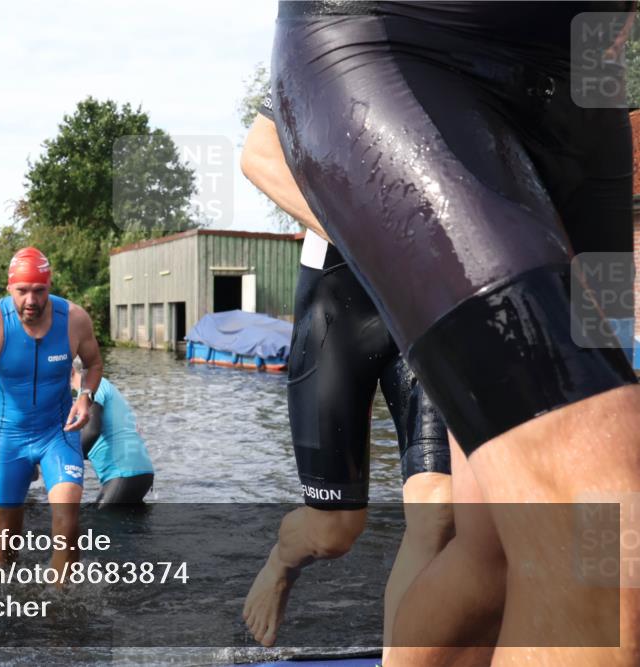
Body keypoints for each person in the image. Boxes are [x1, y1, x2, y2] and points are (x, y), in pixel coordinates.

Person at [269, 4, 639, 664]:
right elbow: (255, 153)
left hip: (593, 95)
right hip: (400, 45)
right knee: (606, 530)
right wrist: (395, 235)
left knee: (491, 545)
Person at [240, 89, 454, 655]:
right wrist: (371, 240)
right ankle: (283, 563)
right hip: (341, 300)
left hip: (431, 300)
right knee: (334, 532)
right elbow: (259, 154)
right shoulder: (347, 26)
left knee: (439, 515)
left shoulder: (477, 44)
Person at [0, 247, 103, 569]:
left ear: (49, 286)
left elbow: (94, 364)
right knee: (7, 539)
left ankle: (60, 608)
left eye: (39, 291)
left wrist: (85, 396)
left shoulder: (74, 319)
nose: (31, 300)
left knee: (67, 524)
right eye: (22, 291)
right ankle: (8, 606)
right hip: (8, 437)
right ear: (9, 287)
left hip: (59, 432)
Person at [70, 358, 155, 506]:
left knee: (101, 525)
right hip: (140, 472)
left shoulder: (90, 387)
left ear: (69, 371)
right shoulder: (102, 386)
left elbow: (92, 431)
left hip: (123, 474)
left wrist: (68, 457)